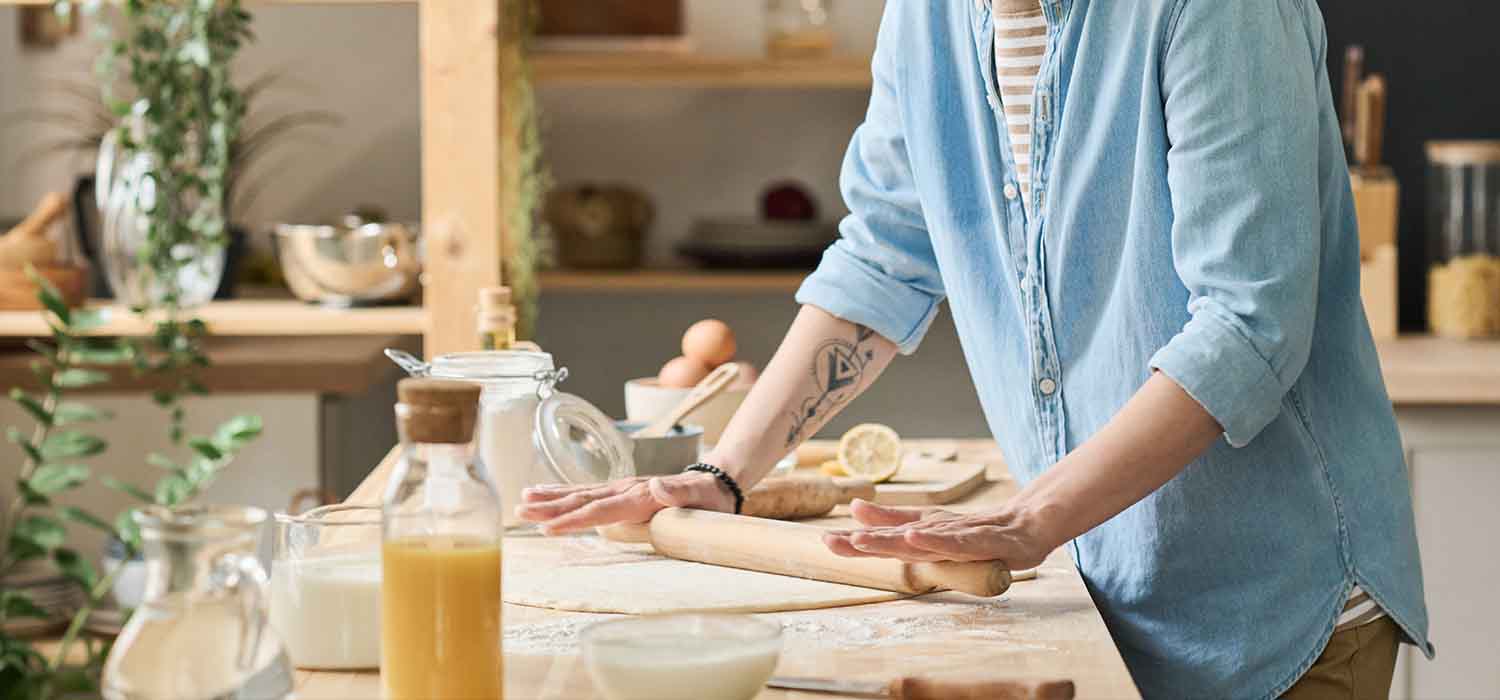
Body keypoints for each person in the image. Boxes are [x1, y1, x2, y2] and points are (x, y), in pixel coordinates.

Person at [519, 1, 1432, 697]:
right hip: (1107, 581)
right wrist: (724, 475)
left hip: (1275, 604)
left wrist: (1035, 516)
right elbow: (884, 257)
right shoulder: (928, 17)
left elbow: (1248, 325)